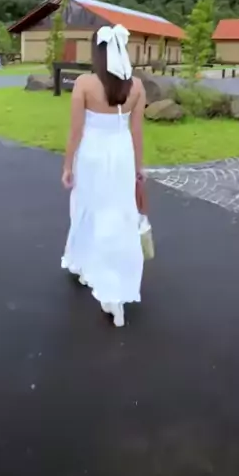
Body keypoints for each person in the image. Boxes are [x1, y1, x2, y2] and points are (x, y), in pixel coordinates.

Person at [61, 24, 146, 327]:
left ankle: (88, 267)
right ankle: (115, 293)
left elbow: (76, 130)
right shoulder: (137, 86)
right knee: (119, 214)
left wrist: (67, 166)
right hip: (121, 155)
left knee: (88, 207)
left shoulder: (84, 83)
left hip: (92, 155)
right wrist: (138, 168)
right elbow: (136, 132)